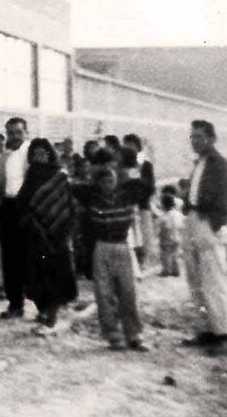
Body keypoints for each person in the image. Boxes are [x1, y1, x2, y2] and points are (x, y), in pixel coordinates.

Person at [73, 166, 152, 351]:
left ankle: (134, 335)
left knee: (128, 291)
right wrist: (92, 185)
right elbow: (76, 188)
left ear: (117, 181)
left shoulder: (126, 196)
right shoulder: (93, 199)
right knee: (104, 292)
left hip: (123, 246)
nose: (108, 185)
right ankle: (113, 336)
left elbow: (146, 186)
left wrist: (124, 179)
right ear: (98, 184)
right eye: (104, 182)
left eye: (112, 181)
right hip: (101, 247)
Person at [181, 120, 227, 349]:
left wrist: (215, 224)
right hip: (193, 219)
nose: (195, 141)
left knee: (214, 276)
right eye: (192, 136)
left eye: (200, 136)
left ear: (212, 139)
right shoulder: (199, 163)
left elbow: (224, 199)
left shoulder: (220, 165)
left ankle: (222, 331)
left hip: (208, 222)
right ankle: (210, 326)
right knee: (196, 277)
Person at [15, 138, 77, 334]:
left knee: (56, 274)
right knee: (38, 275)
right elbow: (22, 203)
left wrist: (65, 230)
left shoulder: (61, 176)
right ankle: (44, 311)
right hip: (36, 236)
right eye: (35, 154)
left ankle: (52, 316)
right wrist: (28, 221)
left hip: (58, 236)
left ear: (50, 154)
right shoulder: (30, 175)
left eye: (43, 153)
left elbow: (69, 205)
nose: (38, 157)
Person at [0, 117, 32, 319]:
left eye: (19, 132)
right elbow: (0, 186)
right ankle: (15, 304)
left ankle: (42, 307)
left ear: (26, 132)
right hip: (9, 208)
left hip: (29, 208)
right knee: (10, 258)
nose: (15, 136)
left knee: (32, 258)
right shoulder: (5, 156)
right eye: (11, 133)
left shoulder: (32, 154)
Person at [122, 134, 156, 267]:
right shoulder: (123, 165)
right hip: (128, 205)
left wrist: (138, 183)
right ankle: (134, 260)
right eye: (126, 145)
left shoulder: (145, 165)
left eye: (130, 145)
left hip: (142, 204)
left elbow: (150, 186)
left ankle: (144, 260)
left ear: (137, 147)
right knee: (132, 235)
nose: (128, 148)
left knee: (143, 233)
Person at [157, 193, 184, 277]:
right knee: (175, 254)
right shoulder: (178, 214)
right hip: (177, 237)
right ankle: (176, 270)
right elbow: (183, 223)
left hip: (166, 238)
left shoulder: (163, 216)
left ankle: (166, 270)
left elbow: (160, 225)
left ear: (163, 205)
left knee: (166, 255)